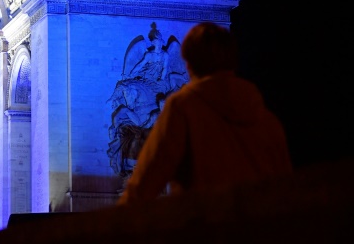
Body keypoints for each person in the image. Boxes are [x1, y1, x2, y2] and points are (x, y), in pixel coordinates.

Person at [117, 21, 292, 205]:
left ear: (190, 65)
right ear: (233, 61)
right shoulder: (269, 122)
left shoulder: (182, 109)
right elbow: (287, 191)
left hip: (204, 228)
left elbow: (145, 183)